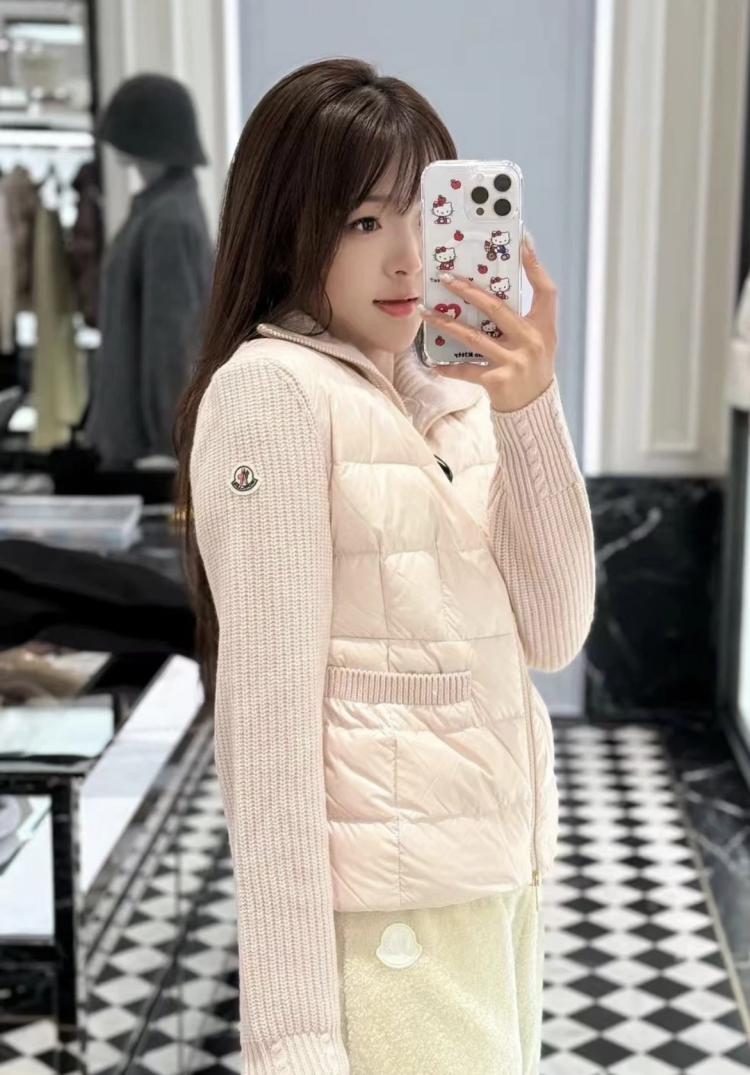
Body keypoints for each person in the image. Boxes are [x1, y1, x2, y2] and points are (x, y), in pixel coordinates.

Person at [174, 57, 596, 1075]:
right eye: (365, 221)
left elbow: (554, 631)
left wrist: (529, 406)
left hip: (489, 884)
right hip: (388, 928)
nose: (408, 258)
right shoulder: (273, 394)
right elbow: (266, 728)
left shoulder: (450, 394)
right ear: (292, 228)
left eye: (425, 214)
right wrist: (293, 1035)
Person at [83, 74, 214, 467]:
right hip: (135, 442)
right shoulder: (159, 210)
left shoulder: (169, 220)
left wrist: (166, 443)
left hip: (146, 452)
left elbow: (171, 340)